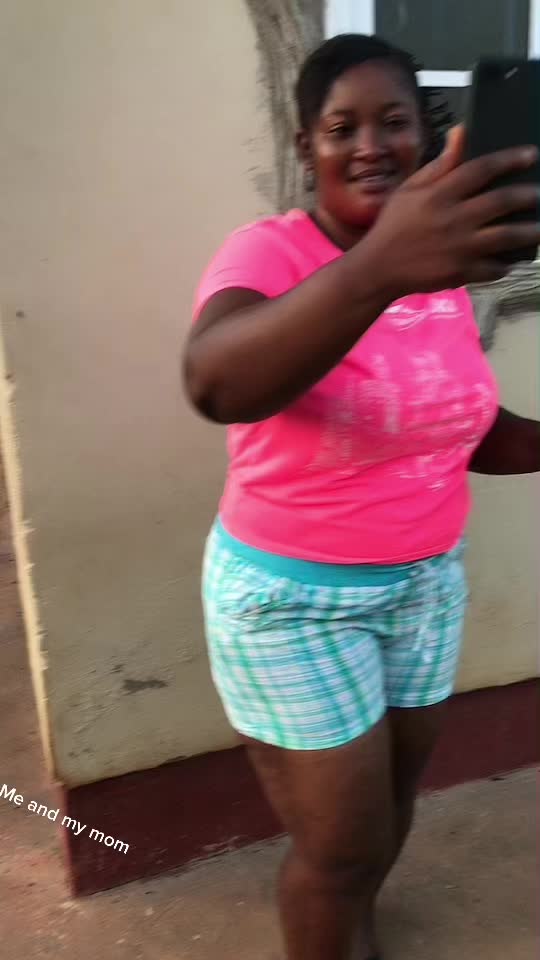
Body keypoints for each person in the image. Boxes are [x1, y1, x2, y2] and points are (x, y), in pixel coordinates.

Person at [183, 33, 540, 960]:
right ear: (307, 147)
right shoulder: (270, 253)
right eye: (343, 127)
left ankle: (351, 932)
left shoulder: (443, 272)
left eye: (395, 121)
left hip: (424, 589)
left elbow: (459, 425)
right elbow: (217, 381)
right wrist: (382, 264)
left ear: (426, 135)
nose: (372, 144)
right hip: (293, 603)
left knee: (385, 814)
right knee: (339, 848)